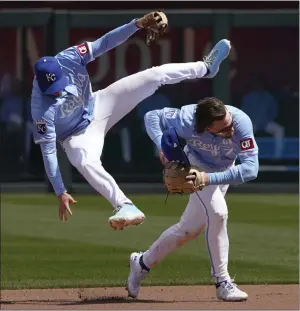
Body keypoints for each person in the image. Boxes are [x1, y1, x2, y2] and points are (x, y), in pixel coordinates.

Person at [30, 11, 231, 230]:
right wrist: (60, 190)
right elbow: (49, 152)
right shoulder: (41, 109)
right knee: (84, 161)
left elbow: (105, 43)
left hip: (98, 104)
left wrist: (136, 24)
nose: (57, 93)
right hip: (76, 135)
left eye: (57, 86)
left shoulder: (68, 58)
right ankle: (125, 205)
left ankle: (205, 68)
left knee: (154, 75)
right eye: (51, 91)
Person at [126, 97, 259, 301]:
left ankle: (142, 262)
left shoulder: (240, 123)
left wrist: (209, 179)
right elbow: (152, 116)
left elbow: (251, 169)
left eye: (228, 123)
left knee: (188, 230)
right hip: (195, 166)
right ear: (204, 126)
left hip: (221, 172)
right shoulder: (186, 118)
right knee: (218, 214)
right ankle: (223, 282)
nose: (229, 130)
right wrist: (162, 145)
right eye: (222, 129)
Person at [241, 74, 284, 158]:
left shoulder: (269, 97)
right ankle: (247, 157)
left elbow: (274, 112)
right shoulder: (249, 97)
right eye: (257, 84)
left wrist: (266, 120)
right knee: (244, 132)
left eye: (261, 84)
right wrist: (252, 122)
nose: (259, 86)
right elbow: (243, 112)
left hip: (266, 123)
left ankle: (278, 156)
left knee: (279, 130)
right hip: (253, 123)